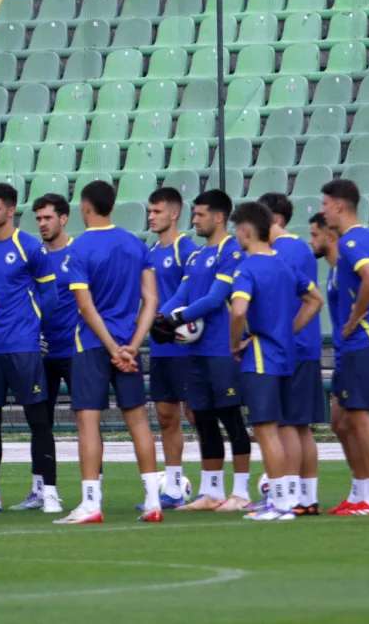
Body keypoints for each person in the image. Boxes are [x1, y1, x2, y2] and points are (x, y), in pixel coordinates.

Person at [52, 181, 162, 525]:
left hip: (91, 345)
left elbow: (85, 307)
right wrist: (132, 346)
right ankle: (153, 501)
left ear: (85, 207)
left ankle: (91, 503)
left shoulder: (78, 248)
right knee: (138, 420)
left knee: (88, 422)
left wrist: (112, 348)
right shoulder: (135, 244)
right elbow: (151, 300)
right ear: (112, 206)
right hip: (128, 345)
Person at [155, 190, 254, 512]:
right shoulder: (197, 256)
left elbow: (215, 298)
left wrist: (177, 319)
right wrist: (160, 318)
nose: (194, 220)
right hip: (196, 352)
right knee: (205, 420)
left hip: (222, 350)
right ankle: (211, 492)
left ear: (218, 217)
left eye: (199, 215)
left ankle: (241, 492)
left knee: (232, 420)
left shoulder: (231, 251)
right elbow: (181, 293)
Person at [228, 201, 323, 522]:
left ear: (245, 231)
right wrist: (288, 330)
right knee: (281, 429)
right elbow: (315, 300)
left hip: (259, 358)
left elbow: (238, 310)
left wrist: (234, 343)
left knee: (267, 432)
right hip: (285, 357)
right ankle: (284, 501)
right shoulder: (284, 265)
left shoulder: (246, 268)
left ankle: (280, 504)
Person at [0, 183, 57, 513]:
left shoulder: (29, 247)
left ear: (10, 211)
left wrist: (38, 330)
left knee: (38, 420)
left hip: (22, 347)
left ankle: (49, 493)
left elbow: (50, 295)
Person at [319, 180, 369, 516]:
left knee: (359, 417)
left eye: (325, 204)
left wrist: (355, 317)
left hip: (362, 340)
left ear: (338, 205)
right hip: (357, 342)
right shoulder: (363, 239)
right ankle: (360, 491)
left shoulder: (351, 242)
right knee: (341, 419)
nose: (322, 211)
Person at [259, 193, 324, 515]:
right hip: (306, 345)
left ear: (276, 220)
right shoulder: (300, 248)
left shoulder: (281, 252)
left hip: (290, 348)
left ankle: (290, 497)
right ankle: (306, 498)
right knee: (301, 426)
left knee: (286, 424)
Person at [18, 192, 75, 514]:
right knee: (39, 421)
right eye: (38, 218)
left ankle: (91, 489)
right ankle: (39, 489)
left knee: (87, 420)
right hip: (39, 351)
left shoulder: (76, 253)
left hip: (74, 350)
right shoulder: (31, 255)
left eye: (48, 217)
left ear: (63, 218)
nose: (42, 223)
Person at [145, 187, 200, 508]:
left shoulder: (186, 249)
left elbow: (191, 292)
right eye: (149, 211)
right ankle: (174, 488)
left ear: (174, 213)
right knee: (166, 417)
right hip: (159, 346)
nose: (151, 217)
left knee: (196, 415)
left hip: (184, 346)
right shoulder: (150, 252)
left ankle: (212, 485)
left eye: (157, 211)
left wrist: (169, 319)